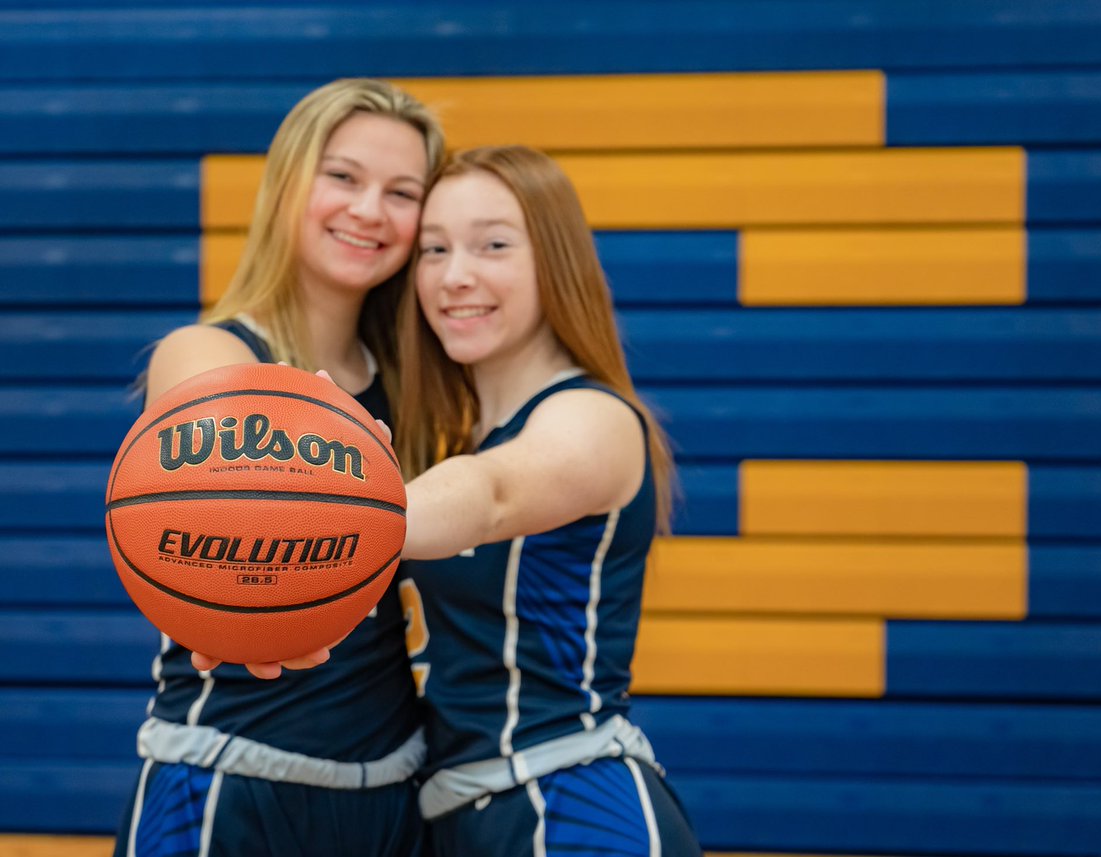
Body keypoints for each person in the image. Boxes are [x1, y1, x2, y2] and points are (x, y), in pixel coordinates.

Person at [112, 78, 444, 857]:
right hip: (228, 780)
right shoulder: (209, 352)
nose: (370, 210)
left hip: (390, 791)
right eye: (343, 177)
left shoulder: (414, 386)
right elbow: (229, 494)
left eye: (402, 192)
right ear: (288, 183)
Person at [394, 145, 704, 855]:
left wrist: (328, 523)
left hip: (574, 807)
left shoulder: (595, 417)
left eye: (493, 245)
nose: (455, 274)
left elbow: (494, 495)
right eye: (434, 249)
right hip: (466, 818)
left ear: (555, 262)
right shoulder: (457, 437)